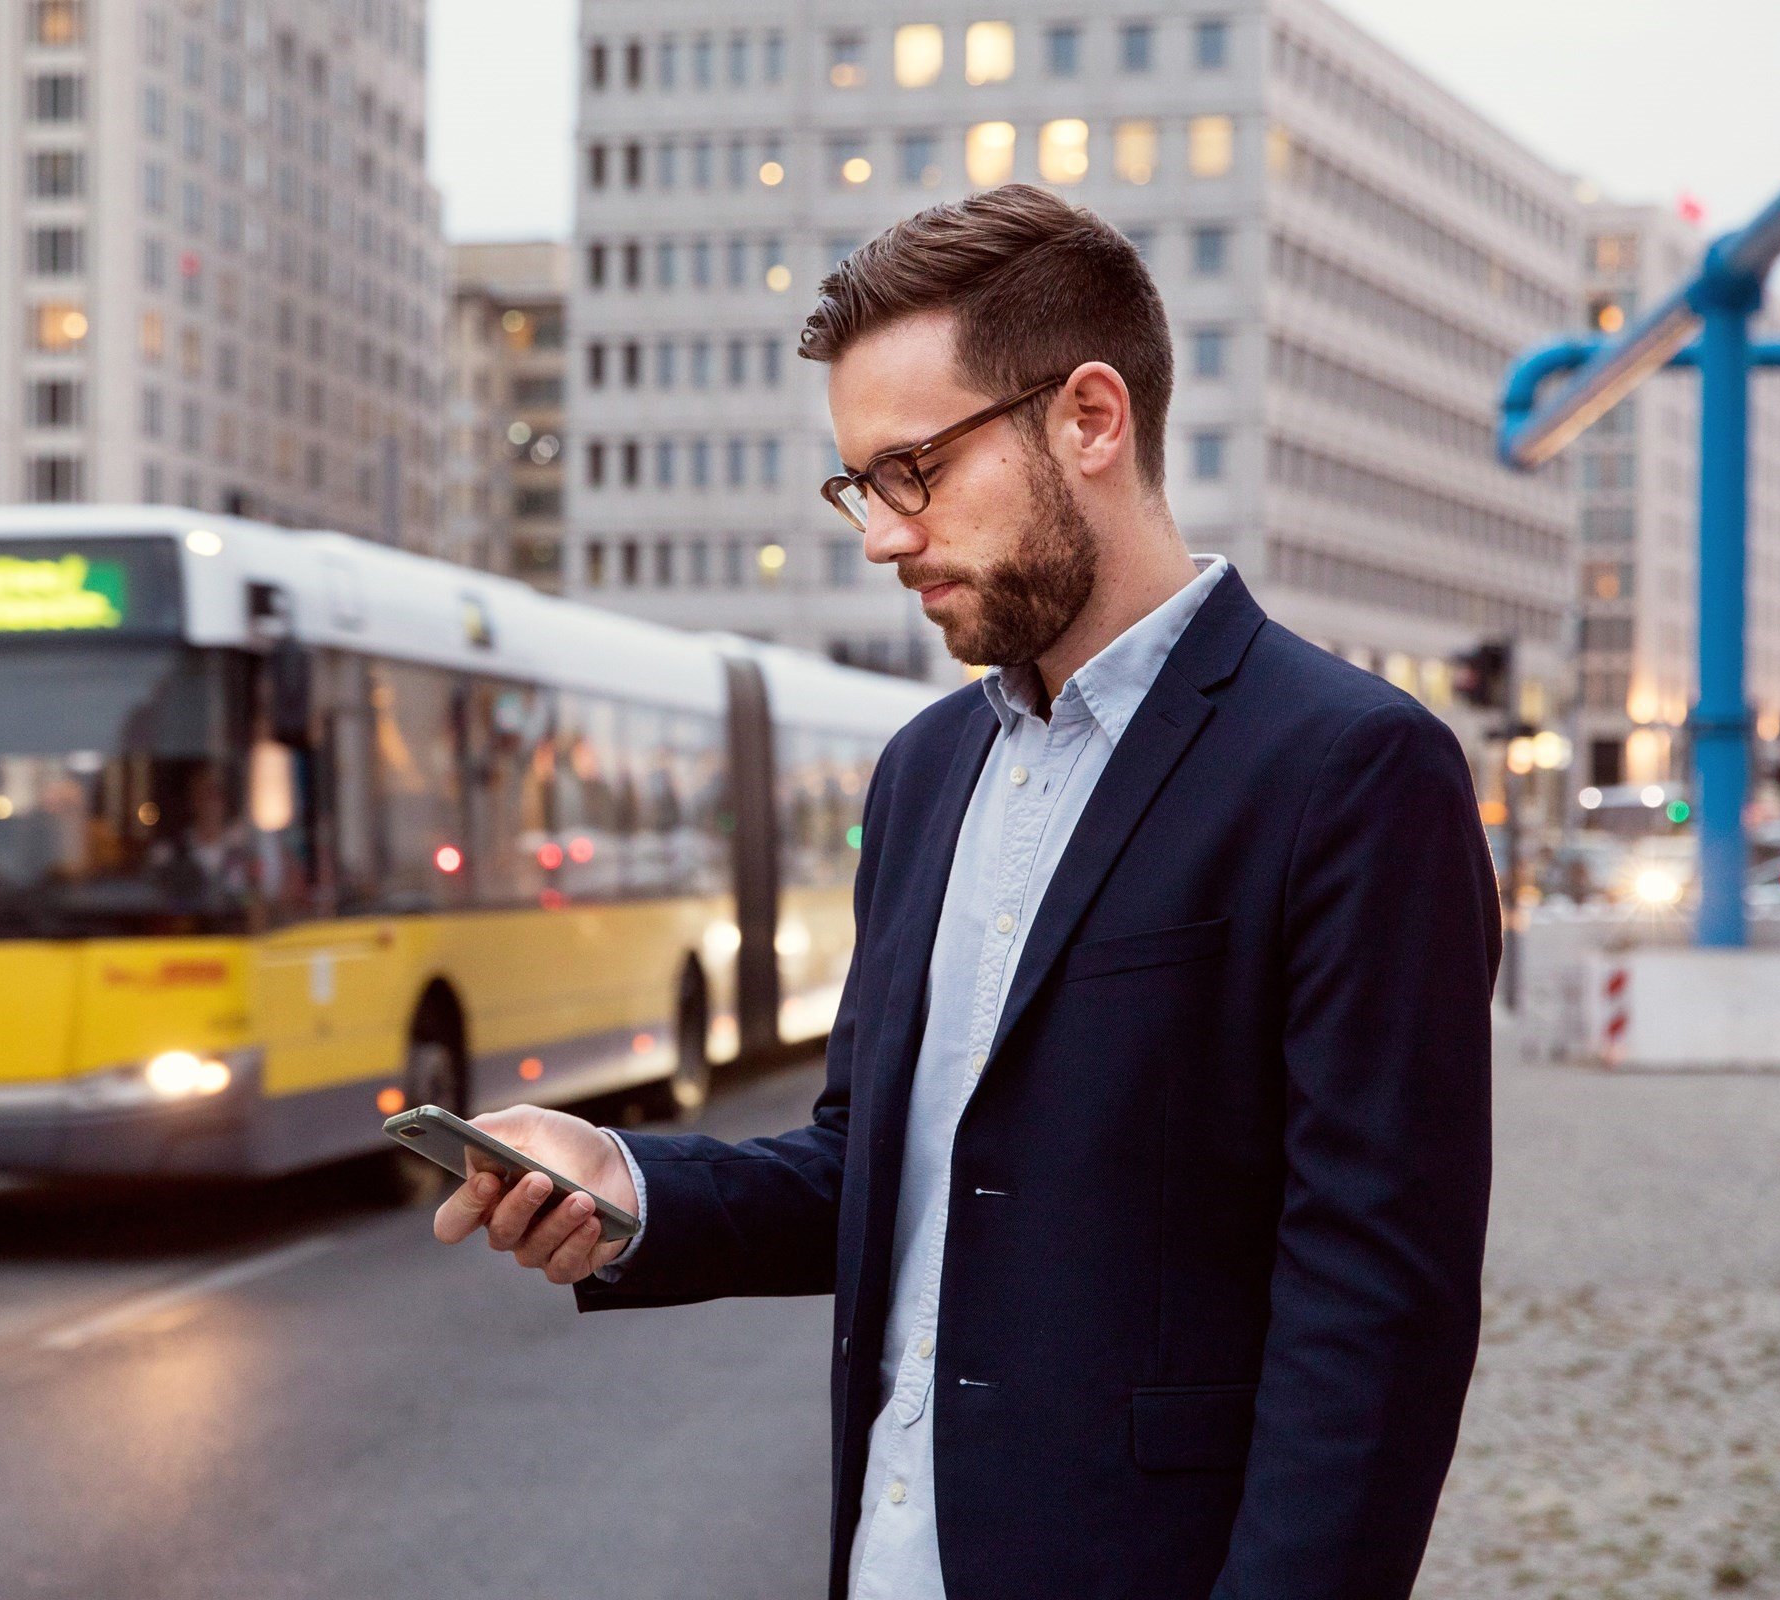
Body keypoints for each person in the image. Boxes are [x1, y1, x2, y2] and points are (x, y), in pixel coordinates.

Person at [431, 185, 1499, 1599]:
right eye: (859, 486)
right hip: (891, 1557)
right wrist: (631, 1183)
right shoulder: (924, 771)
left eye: (912, 470)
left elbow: (1376, 1316)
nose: (882, 534)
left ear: (1091, 420)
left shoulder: (1351, 770)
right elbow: (875, 1165)